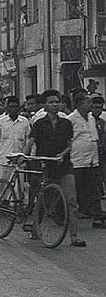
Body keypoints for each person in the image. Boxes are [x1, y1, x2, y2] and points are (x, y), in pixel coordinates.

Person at [27, 89, 84, 247]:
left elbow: (70, 145)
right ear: (45, 105)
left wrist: (62, 154)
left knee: (72, 200)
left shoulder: (66, 123)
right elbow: (31, 141)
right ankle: (35, 227)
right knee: (43, 199)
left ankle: (74, 236)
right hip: (44, 164)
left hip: (64, 165)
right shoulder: (39, 123)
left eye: (57, 102)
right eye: (51, 102)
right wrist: (24, 156)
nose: (55, 105)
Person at [66, 91, 105, 226]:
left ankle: (97, 215)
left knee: (94, 187)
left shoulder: (91, 118)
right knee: (75, 188)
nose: (91, 104)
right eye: (88, 102)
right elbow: (69, 139)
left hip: (92, 159)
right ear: (79, 104)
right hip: (77, 159)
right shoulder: (71, 119)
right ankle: (61, 213)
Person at [0, 95, 30, 183]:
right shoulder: (0, 122)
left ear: (19, 108)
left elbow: (29, 141)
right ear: (7, 108)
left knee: (18, 188)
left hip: (19, 161)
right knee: (1, 185)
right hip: (3, 160)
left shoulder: (25, 122)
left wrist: (27, 157)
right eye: (11, 107)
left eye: (15, 107)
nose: (13, 109)